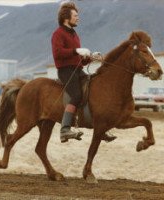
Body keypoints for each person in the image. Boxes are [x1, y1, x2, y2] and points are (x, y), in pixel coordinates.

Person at [51, 2, 116, 143]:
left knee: (93, 91)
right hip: (65, 71)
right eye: (75, 16)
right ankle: (64, 129)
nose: (78, 18)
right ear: (66, 18)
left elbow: (78, 60)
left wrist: (90, 58)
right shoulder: (58, 34)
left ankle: (100, 128)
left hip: (77, 70)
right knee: (76, 95)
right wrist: (76, 51)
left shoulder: (74, 35)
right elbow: (57, 53)